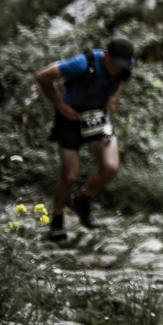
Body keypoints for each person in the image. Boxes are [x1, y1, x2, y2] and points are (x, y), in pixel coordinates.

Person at [34, 35, 135, 239]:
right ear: (105, 54)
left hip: (98, 117)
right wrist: (60, 106)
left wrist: (114, 99)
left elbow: (124, 78)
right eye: (114, 64)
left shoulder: (125, 65)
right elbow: (43, 76)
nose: (118, 69)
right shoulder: (81, 64)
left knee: (110, 167)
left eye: (122, 65)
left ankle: (82, 199)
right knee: (70, 175)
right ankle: (57, 220)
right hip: (70, 118)